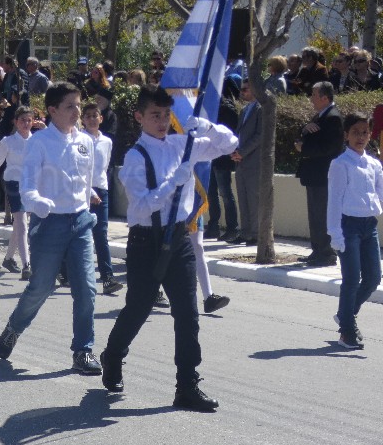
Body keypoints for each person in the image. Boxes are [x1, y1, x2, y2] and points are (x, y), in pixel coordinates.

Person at [100, 84, 238, 411]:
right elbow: (144, 204)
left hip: (178, 238)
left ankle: (187, 385)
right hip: (146, 241)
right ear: (139, 117)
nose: (162, 122)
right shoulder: (135, 156)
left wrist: (205, 126)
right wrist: (175, 180)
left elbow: (230, 143)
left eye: (166, 115)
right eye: (155, 115)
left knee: (188, 313)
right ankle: (113, 355)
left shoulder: (182, 144)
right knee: (138, 308)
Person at [0, 82, 101, 374]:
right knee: (41, 287)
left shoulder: (86, 142)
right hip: (49, 221)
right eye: (70, 106)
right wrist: (36, 201)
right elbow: (26, 185)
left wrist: (88, 197)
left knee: (87, 289)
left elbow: (86, 179)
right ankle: (14, 328)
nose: (77, 111)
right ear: (52, 110)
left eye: (79, 105)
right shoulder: (39, 143)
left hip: (79, 222)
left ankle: (84, 350)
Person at [327, 113, 383, 349]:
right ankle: (347, 329)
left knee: (373, 277)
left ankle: (347, 314)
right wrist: (335, 232)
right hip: (349, 226)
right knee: (351, 278)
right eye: (355, 132)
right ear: (346, 135)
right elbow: (334, 201)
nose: (361, 137)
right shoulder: (340, 164)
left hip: (370, 226)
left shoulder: (373, 164)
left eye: (365, 132)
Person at [295, 81, 345, 267]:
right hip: (314, 174)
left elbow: (330, 147)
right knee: (315, 215)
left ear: (325, 97)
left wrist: (304, 147)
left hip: (324, 174)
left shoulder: (333, 117)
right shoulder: (320, 116)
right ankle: (317, 250)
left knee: (323, 214)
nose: (311, 98)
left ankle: (326, 253)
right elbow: (305, 135)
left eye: (314, 95)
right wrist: (304, 130)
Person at [81, 101, 122, 295]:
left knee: (101, 233)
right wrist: (89, 192)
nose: (91, 119)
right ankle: (66, 270)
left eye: (94, 115)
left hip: (102, 189)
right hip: (83, 190)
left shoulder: (107, 142)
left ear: (101, 118)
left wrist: (100, 190)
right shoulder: (79, 139)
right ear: (83, 119)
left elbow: (103, 168)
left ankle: (107, 277)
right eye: (87, 116)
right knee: (79, 233)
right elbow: (80, 170)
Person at [0, 106, 34, 279]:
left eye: (29, 120)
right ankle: (26, 265)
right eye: (22, 120)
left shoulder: (37, 140)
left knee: (19, 226)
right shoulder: (8, 141)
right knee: (22, 222)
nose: (26, 123)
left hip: (31, 184)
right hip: (13, 183)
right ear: (15, 122)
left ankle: (8, 258)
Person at [206, 79, 239, 241]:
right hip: (210, 156)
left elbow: (229, 135)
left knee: (225, 193)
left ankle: (232, 227)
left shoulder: (227, 109)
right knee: (211, 192)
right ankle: (213, 225)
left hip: (223, 157)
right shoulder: (210, 108)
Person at [232, 80, 262, 245]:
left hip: (253, 161)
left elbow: (259, 136)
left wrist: (242, 152)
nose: (242, 92)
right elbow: (240, 134)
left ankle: (256, 234)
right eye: (241, 89)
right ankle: (245, 232)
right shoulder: (244, 110)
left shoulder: (261, 109)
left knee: (253, 198)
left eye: (245, 89)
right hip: (241, 161)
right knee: (243, 198)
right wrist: (234, 151)